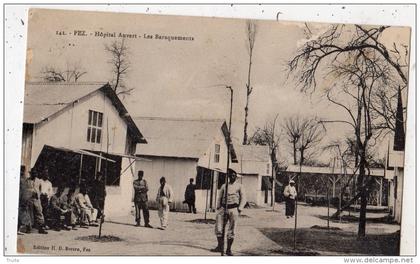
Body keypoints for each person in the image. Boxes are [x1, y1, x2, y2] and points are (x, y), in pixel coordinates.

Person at [211, 169, 246, 256]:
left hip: (233, 209)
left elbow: (244, 198)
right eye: (230, 175)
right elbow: (219, 197)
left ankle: (228, 249)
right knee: (219, 228)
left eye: (234, 175)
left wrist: (240, 208)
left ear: (236, 177)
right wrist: (218, 207)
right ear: (228, 177)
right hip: (223, 208)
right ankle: (220, 246)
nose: (232, 177)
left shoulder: (239, 186)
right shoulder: (224, 186)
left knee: (231, 230)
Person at [24, 170, 48, 234]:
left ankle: (41, 228)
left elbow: (40, 189)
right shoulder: (27, 181)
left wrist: (38, 194)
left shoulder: (39, 181)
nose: (34, 175)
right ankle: (28, 228)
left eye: (35, 173)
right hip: (29, 199)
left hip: (37, 199)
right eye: (33, 173)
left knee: (39, 212)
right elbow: (25, 190)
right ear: (30, 174)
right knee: (29, 213)